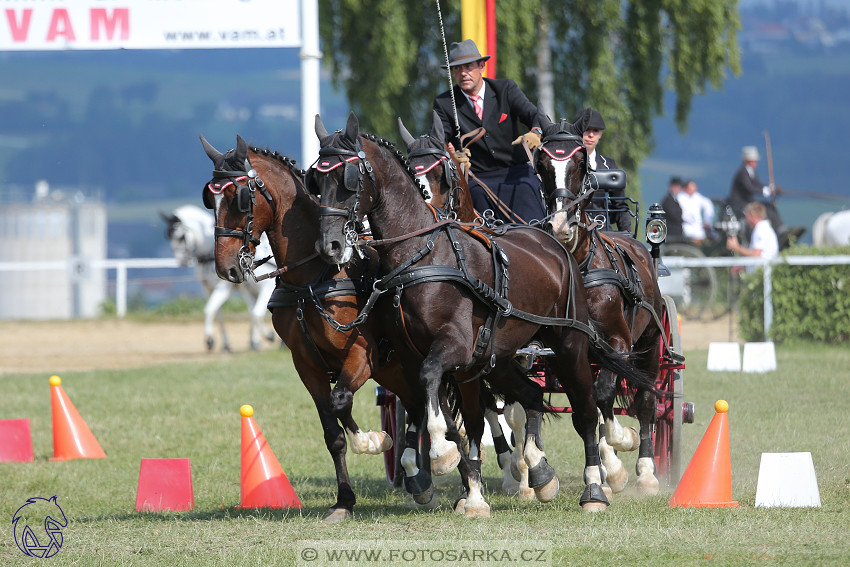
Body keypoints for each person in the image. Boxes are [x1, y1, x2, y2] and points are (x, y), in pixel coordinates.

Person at [433, 39, 546, 224]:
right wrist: (452, 156)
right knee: (474, 196)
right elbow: (438, 139)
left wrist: (536, 132)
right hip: (477, 177)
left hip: (516, 172)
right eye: (457, 69)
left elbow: (535, 115)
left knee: (528, 188)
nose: (463, 73)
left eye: (468, 67)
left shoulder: (506, 89)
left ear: (482, 66)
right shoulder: (444, 103)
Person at [573, 108, 632, 233]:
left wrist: (626, 232)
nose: (591, 135)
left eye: (596, 131)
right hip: (571, 230)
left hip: (602, 231)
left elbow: (620, 205)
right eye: (586, 130)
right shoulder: (565, 165)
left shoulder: (609, 165)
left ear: (601, 134)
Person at [727, 145, 785, 233]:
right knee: (765, 209)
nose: (754, 163)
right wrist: (764, 191)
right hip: (741, 203)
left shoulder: (752, 172)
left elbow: (758, 185)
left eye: (755, 161)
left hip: (749, 201)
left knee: (769, 206)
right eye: (752, 161)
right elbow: (749, 188)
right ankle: (776, 230)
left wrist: (771, 189)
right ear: (746, 161)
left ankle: (779, 227)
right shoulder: (742, 172)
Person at [726, 201, 779, 271]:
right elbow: (759, 257)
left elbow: (756, 255)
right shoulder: (762, 227)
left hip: (763, 277)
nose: (745, 217)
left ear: (752, 215)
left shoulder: (760, 229)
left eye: (747, 213)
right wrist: (744, 267)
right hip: (762, 275)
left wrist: (736, 247)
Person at [677, 179, 715, 245]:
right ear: (686, 188)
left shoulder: (697, 197)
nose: (694, 189)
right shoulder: (680, 198)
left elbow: (708, 205)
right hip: (686, 227)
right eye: (691, 187)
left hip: (698, 228)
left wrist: (707, 221)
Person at [661, 176, 685, 241]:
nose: (677, 189)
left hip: (677, 233)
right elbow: (674, 216)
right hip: (671, 233)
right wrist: (683, 219)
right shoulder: (668, 200)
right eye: (675, 187)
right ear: (671, 187)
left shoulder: (675, 200)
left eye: (678, 187)